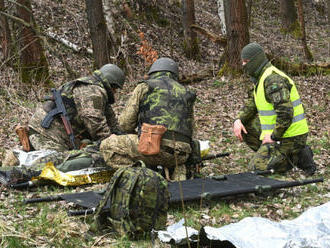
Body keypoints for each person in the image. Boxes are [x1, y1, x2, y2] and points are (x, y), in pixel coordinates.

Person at [2, 64, 125, 169]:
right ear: (111, 84)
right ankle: (18, 158)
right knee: (60, 164)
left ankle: (24, 154)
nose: (115, 92)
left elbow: (112, 122)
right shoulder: (93, 91)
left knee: (83, 149)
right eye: (116, 89)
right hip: (47, 134)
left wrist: (121, 137)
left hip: (52, 132)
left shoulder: (94, 89)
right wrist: (112, 145)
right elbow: (96, 124)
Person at [100, 57, 196, 181]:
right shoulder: (187, 93)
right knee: (172, 151)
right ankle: (177, 169)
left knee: (107, 146)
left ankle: (145, 175)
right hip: (182, 154)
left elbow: (125, 124)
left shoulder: (145, 87)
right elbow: (192, 129)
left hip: (153, 148)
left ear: (153, 73)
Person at [233, 42, 316, 175]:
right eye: (242, 61)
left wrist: (273, 136)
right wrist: (239, 119)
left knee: (257, 170)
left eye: (246, 61)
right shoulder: (261, 77)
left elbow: (286, 113)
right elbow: (253, 103)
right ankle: (281, 156)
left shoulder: (272, 79)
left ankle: (295, 155)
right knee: (245, 125)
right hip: (280, 134)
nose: (244, 65)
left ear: (256, 60)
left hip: (291, 136)